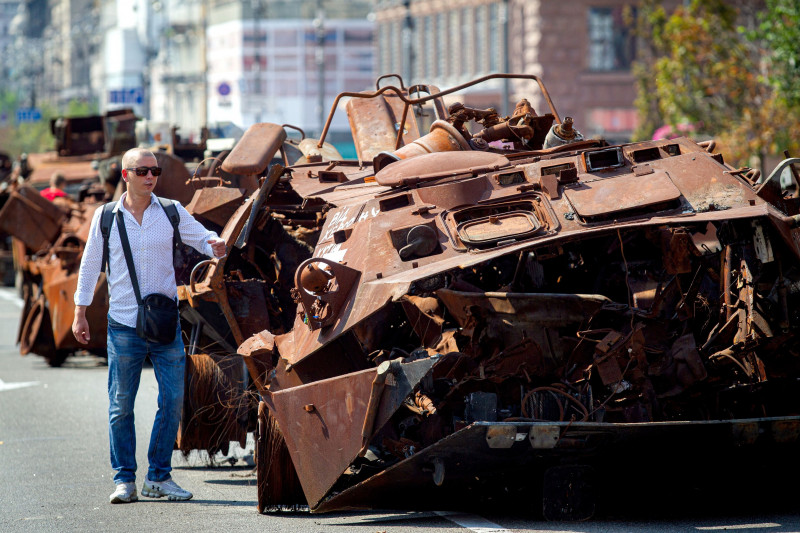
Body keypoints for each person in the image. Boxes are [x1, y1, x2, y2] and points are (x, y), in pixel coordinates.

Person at [72, 147, 227, 504]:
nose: (150, 176)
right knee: (120, 405)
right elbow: (89, 264)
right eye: (141, 171)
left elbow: (202, 237)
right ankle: (125, 479)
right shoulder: (106, 216)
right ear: (125, 175)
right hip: (123, 324)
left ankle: (158, 477)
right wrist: (81, 311)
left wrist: (214, 244)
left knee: (172, 401)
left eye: (154, 170)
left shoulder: (171, 211)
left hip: (164, 324)